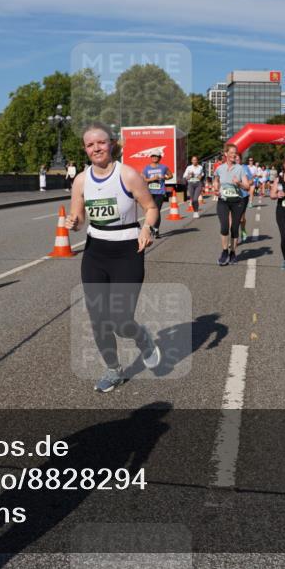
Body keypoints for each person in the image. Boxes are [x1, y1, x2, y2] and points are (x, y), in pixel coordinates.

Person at [65, 123, 161, 392]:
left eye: (101, 142)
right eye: (90, 144)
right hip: (95, 252)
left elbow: (151, 208)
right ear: (85, 149)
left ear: (111, 144)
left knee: (120, 321)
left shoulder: (128, 175)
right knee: (98, 318)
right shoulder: (81, 180)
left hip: (127, 252)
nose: (96, 148)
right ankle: (113, 370)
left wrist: (147, 227)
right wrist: (74, 222)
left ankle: (141, 336)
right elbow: (81, 217)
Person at [213, 143, 252, 266]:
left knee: (234, 227)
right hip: (223, 201)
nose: (233, 155)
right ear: (226, 154)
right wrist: (215, 187)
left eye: (235, 153)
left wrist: (238, 183)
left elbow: (247, 186)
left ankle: (233, 252)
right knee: (224, 226)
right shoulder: (219, 168)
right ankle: (225, 251)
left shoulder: (240, 168)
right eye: (231, 153)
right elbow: (216, 180)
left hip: (237, 202)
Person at [142, 152, 172, 238]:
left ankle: (156, 228)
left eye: (157, 156)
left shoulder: (163, 167)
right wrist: (152, 179)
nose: (155, 158)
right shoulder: (146, 168)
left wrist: (165, 177)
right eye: (153, 156)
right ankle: (150, 227)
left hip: (160, 192)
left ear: (160, 158)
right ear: (151, 157)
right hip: (149, 192)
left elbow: (170, 175)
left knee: (157, 211)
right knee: (149, 211)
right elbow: (143, 179)